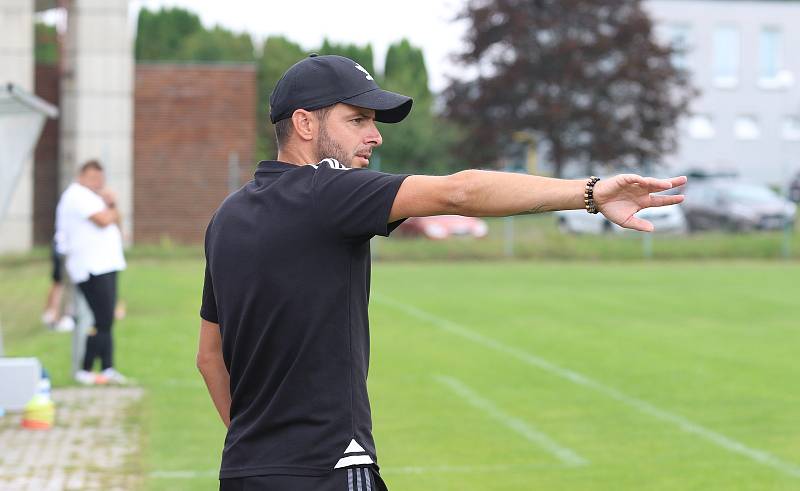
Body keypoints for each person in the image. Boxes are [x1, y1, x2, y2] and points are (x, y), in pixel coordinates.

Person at [196, 54, 687, 491]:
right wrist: (591, 193)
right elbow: (461, 192)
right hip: (331, 468)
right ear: (304, 123)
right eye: (358, 119)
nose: (376, 135)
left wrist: (259, 446)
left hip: (245, 470)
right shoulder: (328, 192)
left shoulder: (226, 217)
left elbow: (209, 357)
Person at [55, 160, 127, 385]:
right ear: (82, 176)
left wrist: (112, 205)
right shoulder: (77, 195)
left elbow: (118, 221)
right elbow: (105, 220)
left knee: (105, 320)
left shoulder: (94, 198)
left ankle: (107, 368)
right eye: (93, 177)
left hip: (106, 264)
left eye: (100, 178)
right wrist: (112, 205)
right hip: (91, 267)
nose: (98, 182)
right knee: (101, 318)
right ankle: (85, 369)